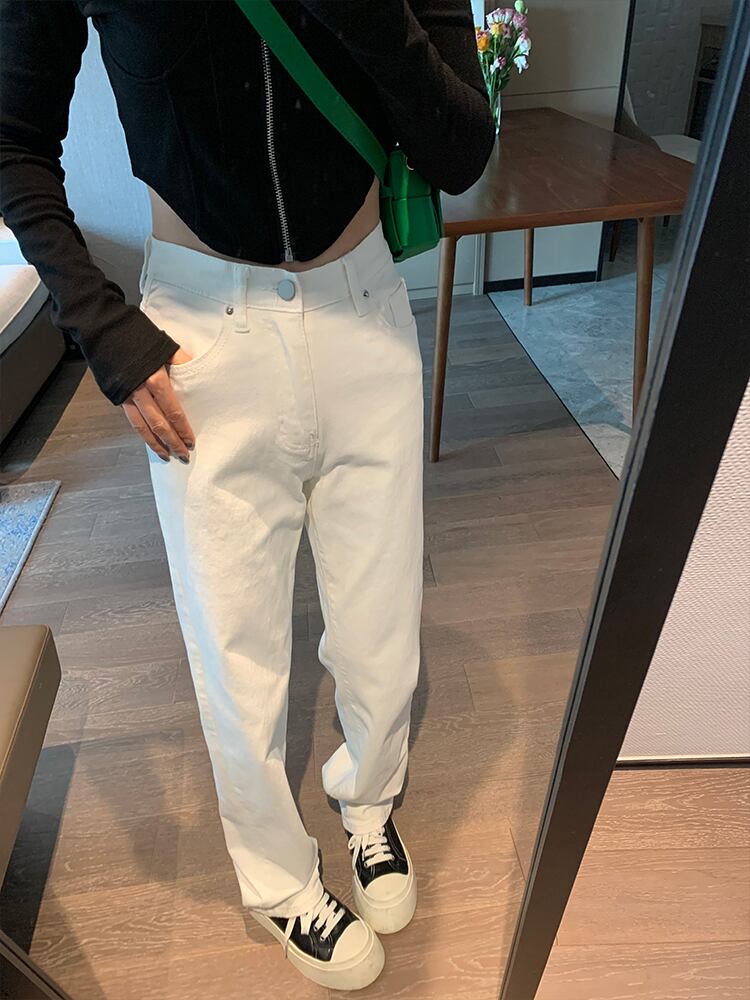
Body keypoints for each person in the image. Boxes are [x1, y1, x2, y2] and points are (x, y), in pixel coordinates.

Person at [0, 0, 494, 990]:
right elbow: (14, 141)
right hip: (200, 336)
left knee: (382, 619)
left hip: (365, 313)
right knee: (235, 645)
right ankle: (275, 877)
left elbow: (460, 150)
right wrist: (100, 325)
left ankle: (369, 800)